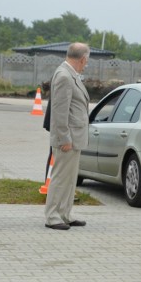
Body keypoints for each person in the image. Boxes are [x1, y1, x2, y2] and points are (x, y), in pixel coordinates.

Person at [44, 43, 90, 230]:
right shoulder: (64, 76)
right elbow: (59, 111)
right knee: (61, 177)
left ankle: (65, 213)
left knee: (70, 178)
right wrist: (64, 138)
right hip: (67, 138)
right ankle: (53, 216)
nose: (86, 64)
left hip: (75, 137)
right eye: (87, 60)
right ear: (83, 59)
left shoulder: (71, 74)